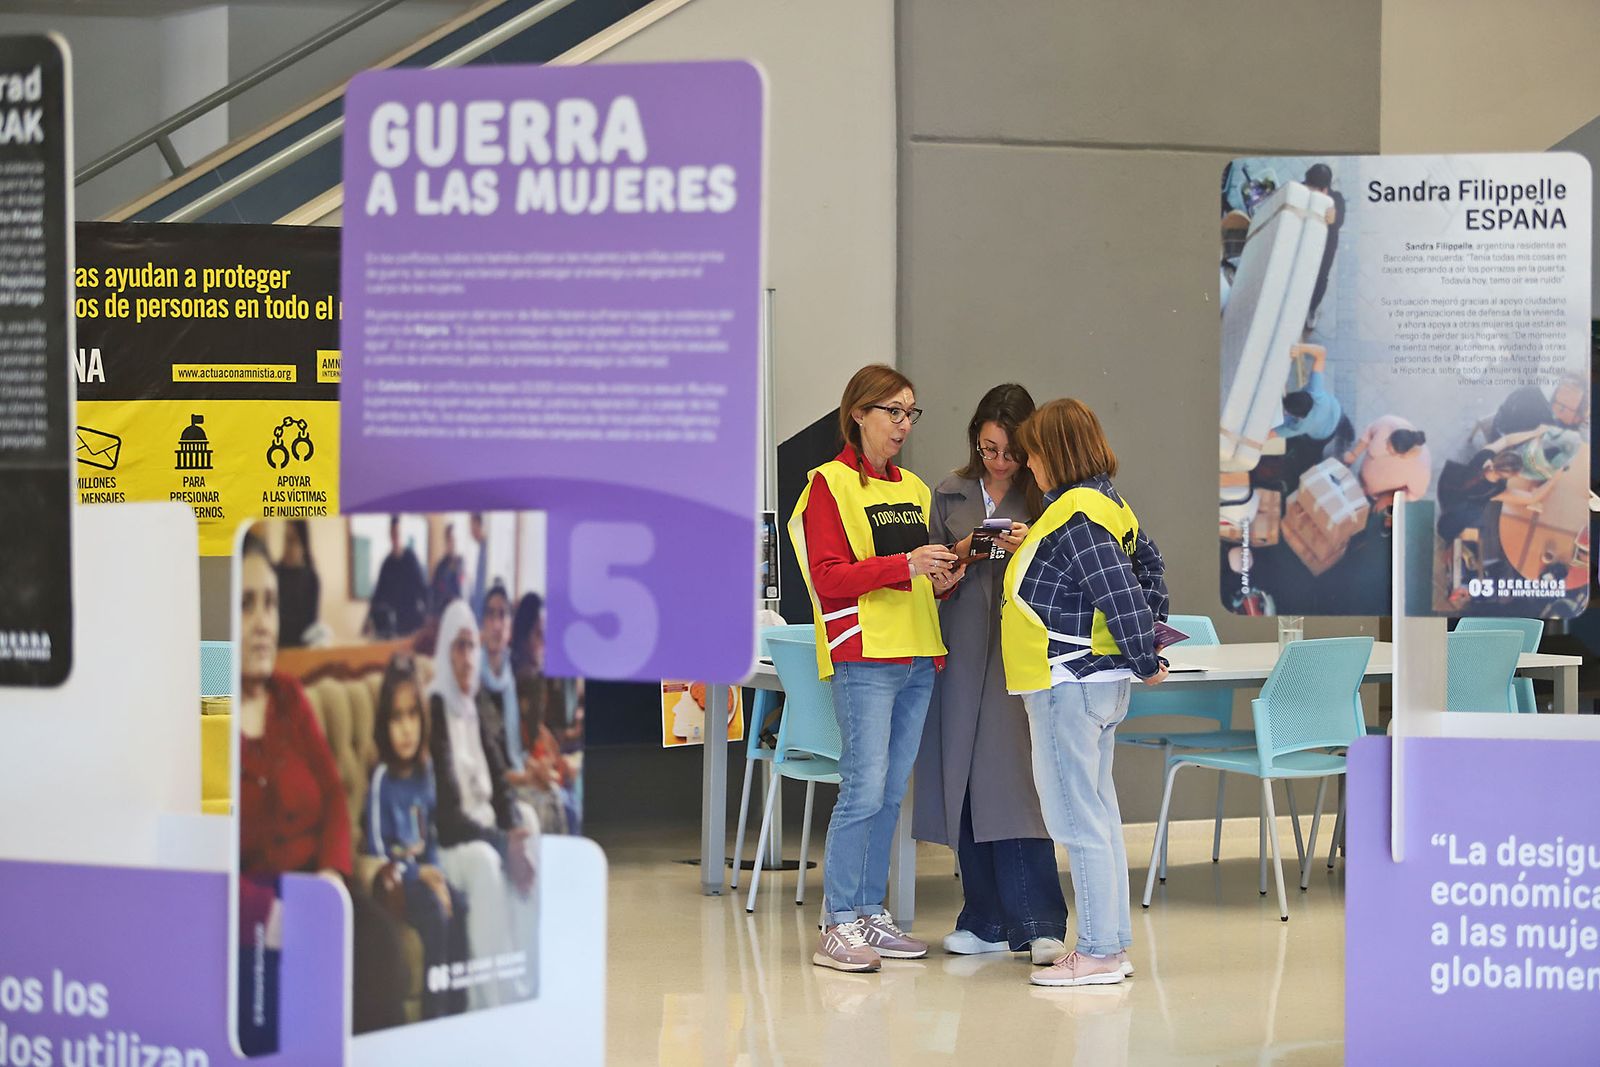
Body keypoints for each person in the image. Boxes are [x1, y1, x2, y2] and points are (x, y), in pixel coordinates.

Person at [789, 364, 964, 972]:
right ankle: (838, 922)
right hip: (863, 653)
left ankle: (868, 911)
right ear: (858, 412)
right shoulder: (827, 487)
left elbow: (915, 577)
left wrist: (942, 576)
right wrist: (904, 565)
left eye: (911, 412)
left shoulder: (914, 489)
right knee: (862, 787)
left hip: (917, 653)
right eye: (892, 410)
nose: (903, 424)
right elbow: (829, 577)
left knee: (890, 792)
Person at [1001, 398, 1169, 988]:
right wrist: (1141, 647)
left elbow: (1120, 591)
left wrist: (1144, 655)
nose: (1029, 466)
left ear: (1055, 454)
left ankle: (1096, 952)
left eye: (1034, 454)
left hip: (1067, 684)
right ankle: (1110, 945)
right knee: (1097, 814)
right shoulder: (1107, 505)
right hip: (1093, 682)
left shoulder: (1073, 510)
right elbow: (1150, 572)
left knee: (1076, 819)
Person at [912, 383, 1069, 965]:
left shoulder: (1049, 498)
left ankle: (1038, 922)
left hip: (1018, 658)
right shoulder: (948, 493)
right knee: (966, 783)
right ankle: (982, 918)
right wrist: (948, 567)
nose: (998, 461)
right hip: (959, 652)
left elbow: (1067, 572)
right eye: (988, 449)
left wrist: (1034, 545)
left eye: (1008, 451)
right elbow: (927, 578)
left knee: (1019, 786)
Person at [236, 532, 408, 1050]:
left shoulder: (288, 696)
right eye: (246, 606)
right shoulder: (208, 705)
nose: (265, 622)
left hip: (320, 886)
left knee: (382, 952)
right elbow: (207, 858)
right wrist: (272, 915)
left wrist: (332, 877)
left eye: (269, 603)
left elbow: (335, 798)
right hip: (259, 915)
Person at [428, 598, 541, 1007]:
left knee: (528, 820)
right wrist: (500, 842)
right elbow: (446, 814)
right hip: (453, 842)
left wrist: (513, 829)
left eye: (472, 645)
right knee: (487, 862)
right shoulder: (436, 709)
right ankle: (489, 1002)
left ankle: (525, 985)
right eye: (459, 645)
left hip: (485, 830)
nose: (468, 656)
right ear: (445, 652)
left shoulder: (474, 704)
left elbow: (499, 779)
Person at [363, 653, 468, 1021]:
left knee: (460, 902)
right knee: (437, 915)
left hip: (424, 878)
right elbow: (376, 850)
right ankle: (434, 1015)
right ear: (384, 724)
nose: (406, 728)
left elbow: (432, 838)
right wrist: (419, 875)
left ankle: (459, 1009)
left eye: (412, 716)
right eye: (396, 717)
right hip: (399, 886)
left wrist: (436, 874)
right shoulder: (381, 782)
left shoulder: (426, 774)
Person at [483, 582, 570, 835]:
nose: (497, 625)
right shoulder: (479, 682)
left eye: (503, 615)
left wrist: (538, 769)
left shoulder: (508, 679)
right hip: (497, 782)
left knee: (558, 799)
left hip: (517, 770)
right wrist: (530, 775)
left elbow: (521, 746)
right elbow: (494, 760)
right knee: (547, 805)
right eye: (490, 614)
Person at [1343, 415, 1431, 511]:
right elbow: (1369, 432)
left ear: (1402, 455)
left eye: (1389, 449)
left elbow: (1415, 494)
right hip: (1362, 481)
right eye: (1387, 441)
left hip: (1378, 496)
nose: (1385, 447)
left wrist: (1389, 497)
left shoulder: (1421, 469)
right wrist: (1354, 454)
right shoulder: (1387, 423)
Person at [367, 516, 428, 639]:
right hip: (393, 625)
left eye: (398, 534)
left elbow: (423, 589)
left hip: (413, 621)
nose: (395, 537)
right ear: (390, 535)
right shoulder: (386, 563)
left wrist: (428, 617)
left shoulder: (411, 559)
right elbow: (378, 594)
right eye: (393, 534)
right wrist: (369, 619)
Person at [1303, 163, 1345, 327]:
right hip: (1305, 240)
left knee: (1320, 279)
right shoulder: (1303, 188)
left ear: (1324, 190)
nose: (1308, 190)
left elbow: (1339, 222)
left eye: (1312, 189)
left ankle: (1311, 310)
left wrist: (1333, 218)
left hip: (1325, 246)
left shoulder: (1337, 201)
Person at [274, 519, 320, 648]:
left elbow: (311, 625)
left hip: (301, 650)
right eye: (285, 540)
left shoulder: (311, 578)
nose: (287, 547)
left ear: (303, 544)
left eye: (292, 541)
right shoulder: (273, 574)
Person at [431, 524, 467, 617]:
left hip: (459, 614)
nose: (453, 543)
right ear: (446, 542)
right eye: (450, 540)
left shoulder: (461, 564)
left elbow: (463, 593)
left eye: (454, 540)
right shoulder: (440, 567)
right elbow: (434, 594)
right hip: (442, 615)